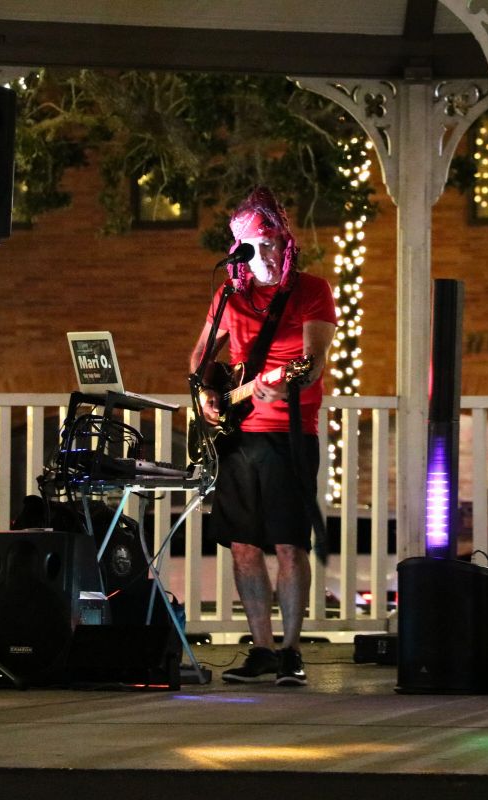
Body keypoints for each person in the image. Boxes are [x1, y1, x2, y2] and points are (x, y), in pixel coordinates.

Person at [189, 187, 337, 686]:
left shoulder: (312, 289)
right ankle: (263, 649)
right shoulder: (229, 294)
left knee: (289, 544)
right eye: (254, 245)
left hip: (289, 434)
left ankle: (292, 650)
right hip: (236, 437)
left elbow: (314, 362)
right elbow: (199, 362)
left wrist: (288, 382)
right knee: (243, 546)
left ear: (285, 241)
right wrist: (208, 397)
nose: (266, 254)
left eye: (272, 242)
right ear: (240, 250)